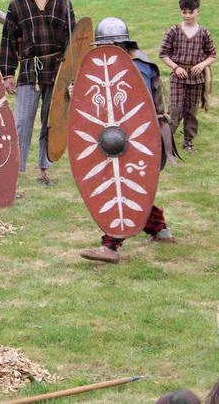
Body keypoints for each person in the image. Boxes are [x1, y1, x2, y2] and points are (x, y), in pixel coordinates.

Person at [79, 17, 178, 264]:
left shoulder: (138, 67)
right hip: (124, 138)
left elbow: (132, 107)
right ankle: (160, 230)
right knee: (133, 188)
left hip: (145, 137)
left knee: (120, 188)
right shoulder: (114, 67)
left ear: (120, 44)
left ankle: (110, 247)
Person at [0, 0, 75, 185]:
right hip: (29, 70)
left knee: (50, 122)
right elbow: (8, 40)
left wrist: (71, 75)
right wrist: (8, 73)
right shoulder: (17, 4)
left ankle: (44, 170)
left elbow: (73, 42)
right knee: (21, 122)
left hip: (57, 71)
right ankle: (16, 170)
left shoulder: (62, 3)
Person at [159, 0, 217, 154]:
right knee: (175, 110)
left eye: (191, 12)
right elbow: (163, 54)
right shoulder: (174, 31)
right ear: (181, 12)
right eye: (184, 12)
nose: (188, 15)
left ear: (198, 11)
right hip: (178, 78)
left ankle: (188, 141)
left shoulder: (204, 33)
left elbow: (213, 55)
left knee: (192, 112)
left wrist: (202, 64)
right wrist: (176, 68)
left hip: (197, 80)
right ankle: (165, 142)